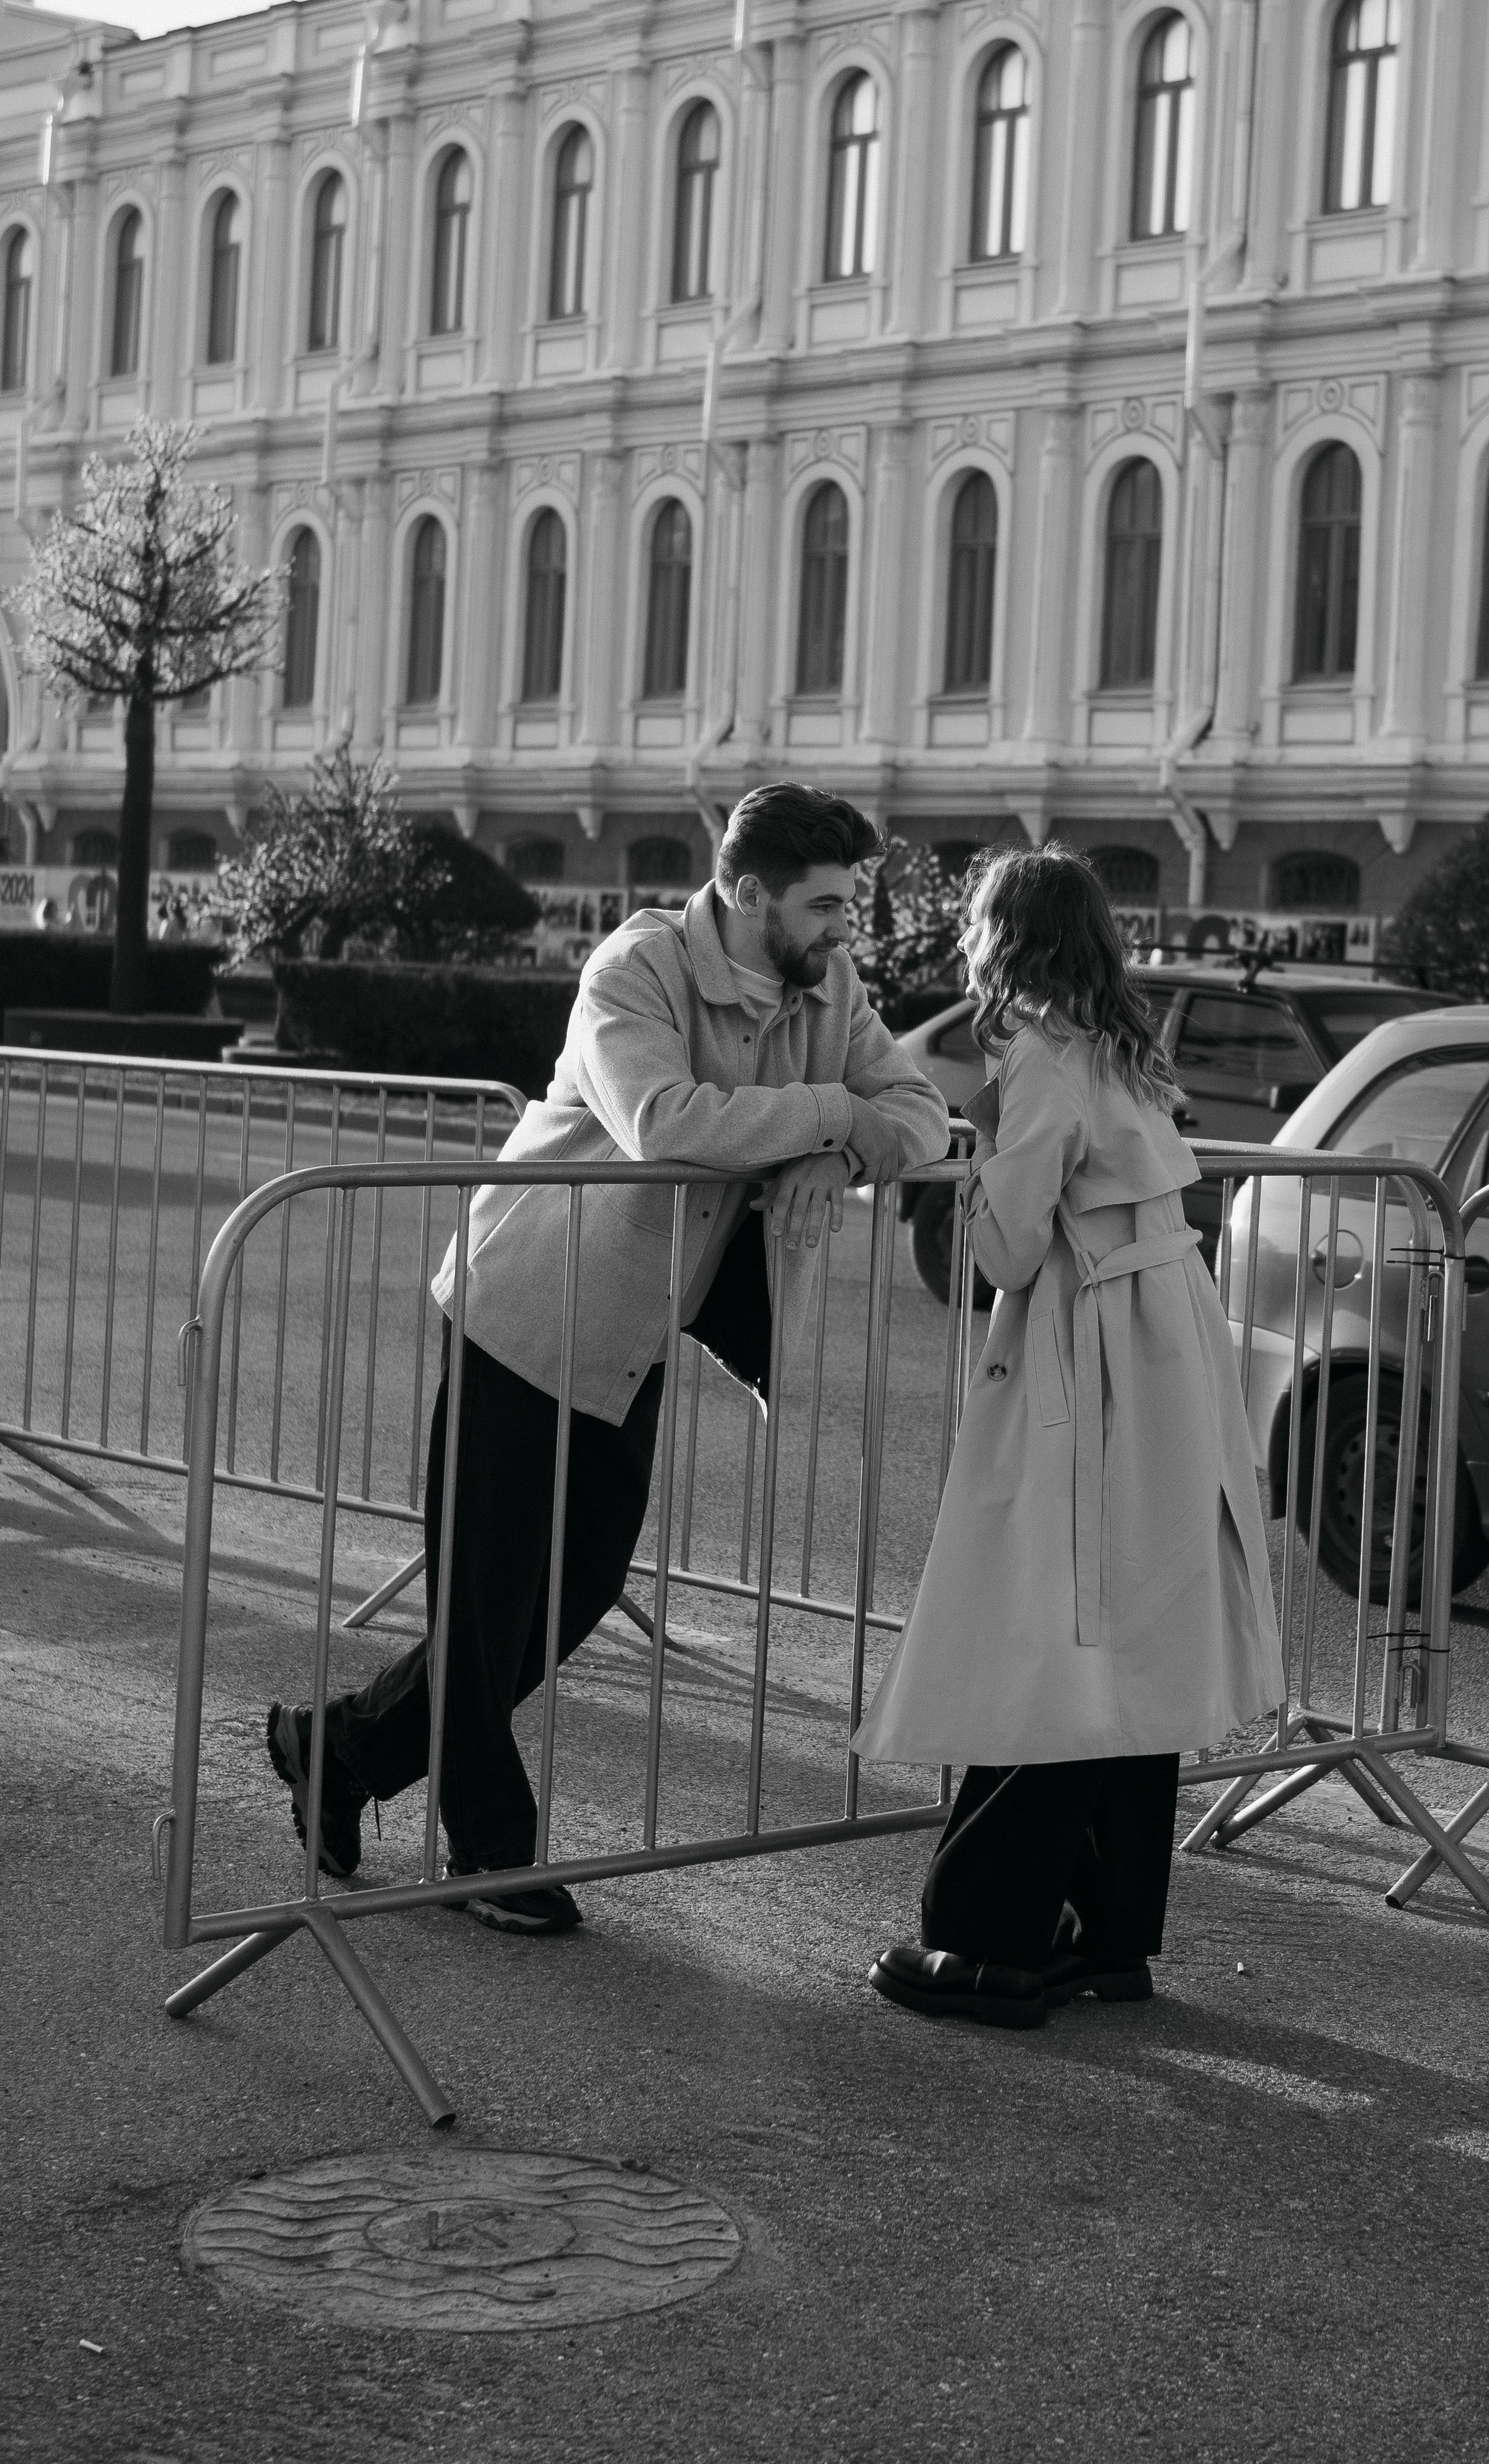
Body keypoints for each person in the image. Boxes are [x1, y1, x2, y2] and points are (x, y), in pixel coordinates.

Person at [266, 783, 948, 1933]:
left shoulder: (828, 985)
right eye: (827, 903)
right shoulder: (632, 971)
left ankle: (337, 1749)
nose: (846, 929)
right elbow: (666, 1124)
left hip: (628, 1334)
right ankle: (488, 1855)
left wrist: (844, 1152)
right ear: (743, 894)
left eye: (850, 904)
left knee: (573, 1591)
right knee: (484, 1603)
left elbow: (925, 1106)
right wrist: (836, 1120)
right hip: (522, 1305)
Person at [855, 844, 1282, 2030]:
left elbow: (1004, 1251)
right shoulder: (1120, 1049)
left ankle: (987, 1937)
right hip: (1162, 1344)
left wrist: (968, 1154)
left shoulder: (1036, 1055)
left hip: (1092, 1352)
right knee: (1126, 1625)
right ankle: (1104, 1930)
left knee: (1055, 1628)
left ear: (1005, 940)